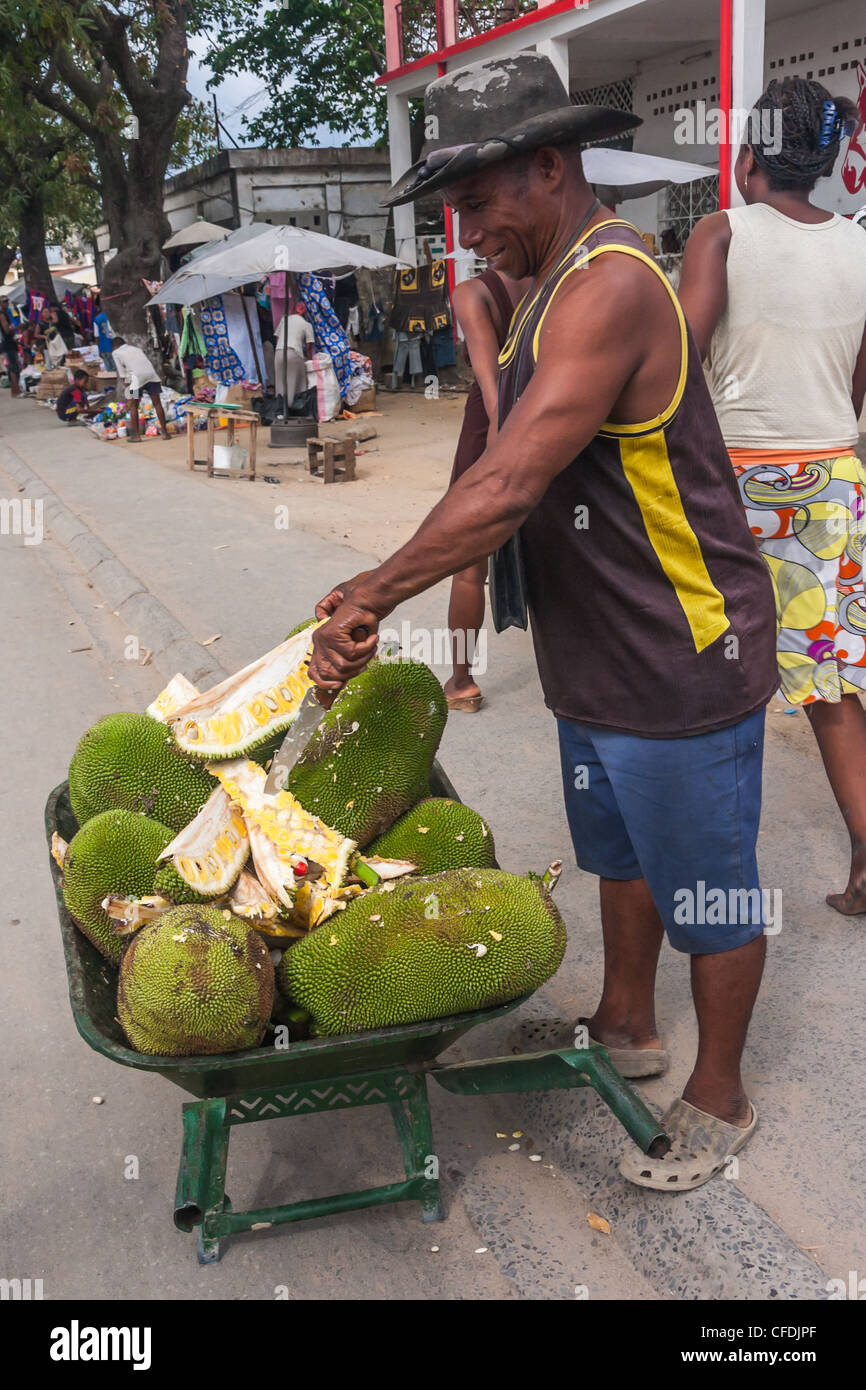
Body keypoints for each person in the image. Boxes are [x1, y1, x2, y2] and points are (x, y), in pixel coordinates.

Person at [306, 51, 780, 1191]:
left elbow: (508, 482)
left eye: (476, 201)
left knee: (707, 885)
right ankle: (626, 1019)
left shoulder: (610, 281)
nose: (464, 231)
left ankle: (719, 1087)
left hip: (679, 648)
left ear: (550, 169)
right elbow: (489, 464)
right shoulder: (537, 288)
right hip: (594, 649)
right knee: (615, 852)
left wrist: (370, 590)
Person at [678, 77, 866, 916]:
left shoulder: (722, 232)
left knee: (723, 668)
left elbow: (680, 357)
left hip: (735, 483)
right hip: (834, 478)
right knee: (828, 680)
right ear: (826, 164)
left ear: (748, 156)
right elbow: (858, 386)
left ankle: (714, 872)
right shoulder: (862, 246)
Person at [444, 268, 530, 712]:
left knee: (468, 568)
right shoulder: (555, 278)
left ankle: (461, 683)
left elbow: (492, 384)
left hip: (490, 434)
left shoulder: (473, 293)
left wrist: (497, 463)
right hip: (549, 423)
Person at [110, 336, 169, 441]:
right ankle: (165, 433)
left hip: (135, 377)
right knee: (157, 403)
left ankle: (136, 436)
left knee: (133, 405)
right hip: (151, 374)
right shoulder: (136, 348)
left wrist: (127, 388)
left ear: (115, 346)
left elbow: (122, 373)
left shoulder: (116, 353)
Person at [274, 301, 314, 405]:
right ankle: (293, 407)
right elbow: (309, 346)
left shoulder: (284, 319)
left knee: (280, 382)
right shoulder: (306, 324)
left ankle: (280, 407)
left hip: (279, 352)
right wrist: (309, 360)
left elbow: (278, 338)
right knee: (296, 382)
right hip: (294, 352)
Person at [0, 296, 21, 397]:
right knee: (13, 367)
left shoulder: (7, 313)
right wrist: (16, 327)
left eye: (7, 301)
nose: (6, 303)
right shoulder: (2, 315)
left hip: (9, 342)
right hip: (8, 343)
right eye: (4, 302)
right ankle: (16, 391)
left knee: (14, 367)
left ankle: (16, 390)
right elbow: (7, 330)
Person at [93, 305, 115, 373]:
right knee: (116, 368)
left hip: (103, 347)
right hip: (112, 345)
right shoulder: (111, 317)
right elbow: (113, 333)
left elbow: (97, 336)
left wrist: (99, 349)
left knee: (108, 368)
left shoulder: (96, 319)